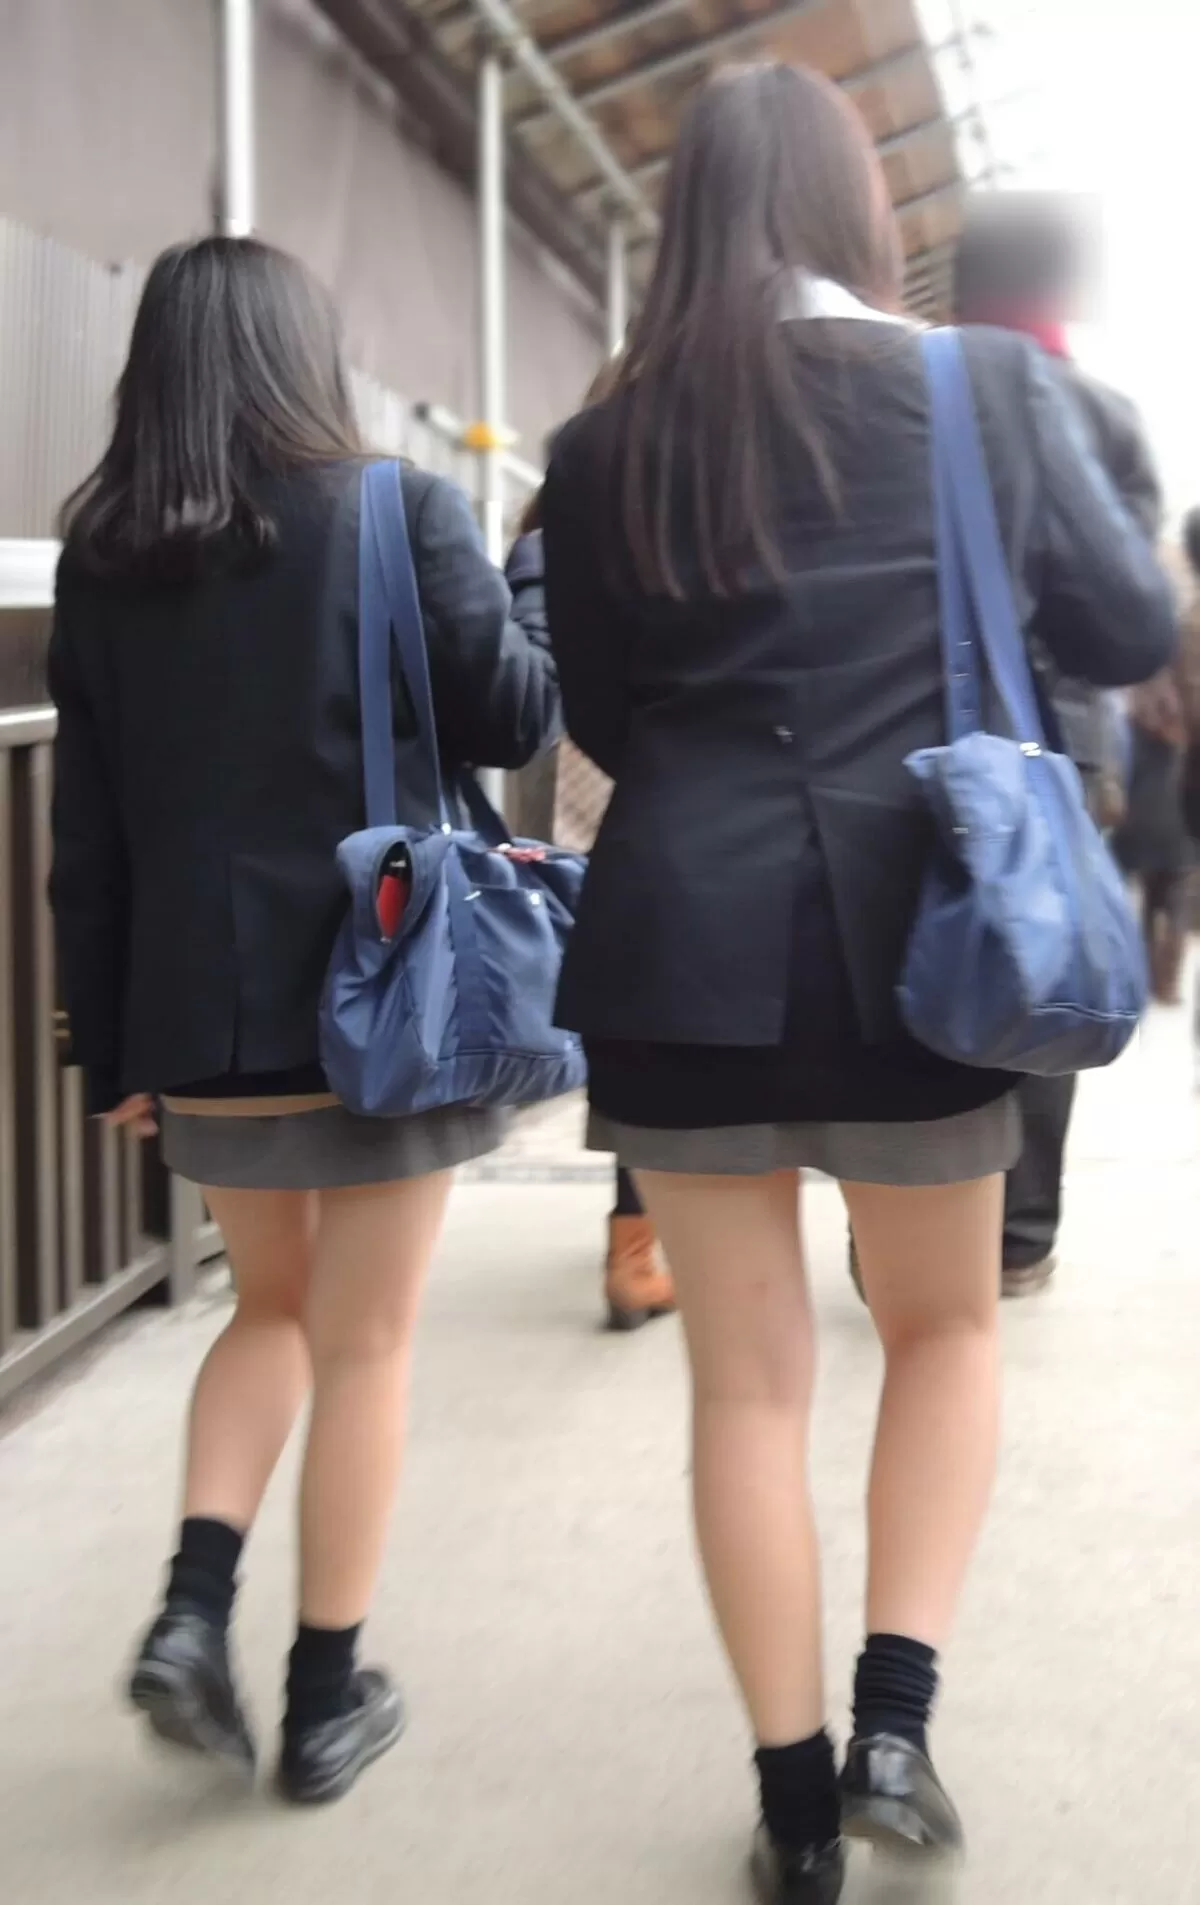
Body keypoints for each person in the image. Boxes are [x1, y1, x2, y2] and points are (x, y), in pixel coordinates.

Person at [541, 63, 1174, 1904]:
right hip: (926, 947)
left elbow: (602, 711)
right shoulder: (982, 393)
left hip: (682, 940)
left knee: (744, 1389)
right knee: (945, 1331)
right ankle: (897, 1725)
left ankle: (794, 1806)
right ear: (857, 212)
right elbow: (1133, 624)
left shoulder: (607, 443)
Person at [49, 236, 559, 1804]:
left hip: (202, 1023)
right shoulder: (396, 512)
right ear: (303, 357)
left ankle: (189, 1612)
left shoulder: (105, 554)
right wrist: (537, 593)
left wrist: (111, 1047)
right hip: (381, 996)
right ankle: (326, 1697)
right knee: (368, 1340)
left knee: (266, 1310)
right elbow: (515, 714)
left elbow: (89, 831)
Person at [954, 195, 1167, 1291]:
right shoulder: (1104, 415)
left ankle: (908, 1221)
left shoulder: (908, 387)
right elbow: (1125, 611)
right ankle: (1020, 1237)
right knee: (1044, 973)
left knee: (923, 958)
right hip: (1062, 742)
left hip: (920, 727)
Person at [508, 447, 676, 1332]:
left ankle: (637, 1239)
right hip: (645, 809)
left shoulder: (557, 523)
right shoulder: (676, 516)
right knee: (656, 1034)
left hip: (594, 810)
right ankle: (637, 1242)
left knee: (633, 1033)